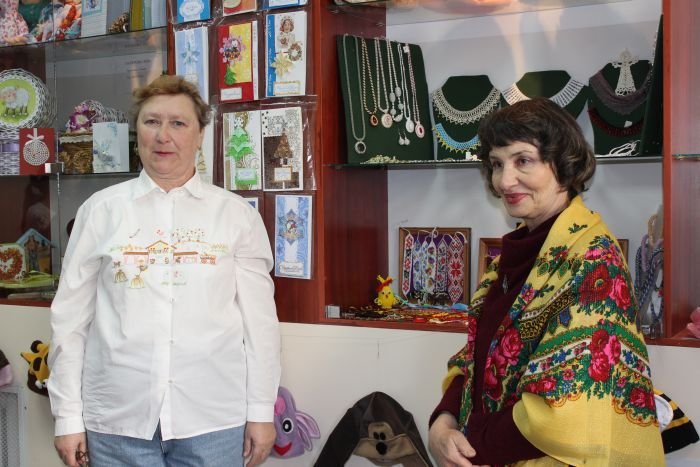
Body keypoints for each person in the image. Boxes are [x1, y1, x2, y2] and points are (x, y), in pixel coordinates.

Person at [47, 75, 281, 467]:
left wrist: (261, 411)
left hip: (213, 420)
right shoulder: (101, 212)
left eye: (178, 123)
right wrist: (67, 417)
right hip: (117, 422)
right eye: (152, 121)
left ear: (200, 134)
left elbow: (261, 326)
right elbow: (69, 323)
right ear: (136, 130)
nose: (163, 136)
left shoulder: (236, 216)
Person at [428, 97, 664, 466]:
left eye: (523, 160)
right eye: (496, 164)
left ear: (564, 164)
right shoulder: (510, 259)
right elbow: (477, 358)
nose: (505, 180)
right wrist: (443, 423)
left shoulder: (592, 261)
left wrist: (471, 445)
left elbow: (566, 403)